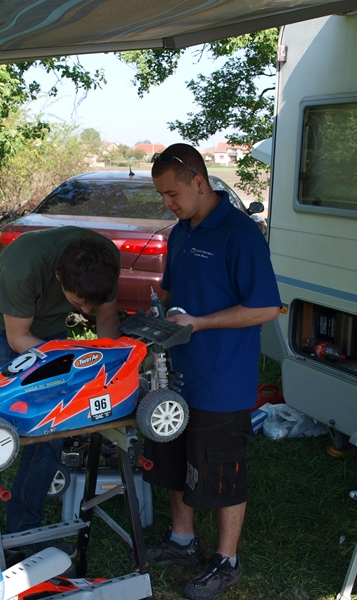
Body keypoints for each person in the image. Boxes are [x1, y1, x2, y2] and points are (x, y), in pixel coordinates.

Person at [144, 144, 281, 600]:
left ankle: (227, 560)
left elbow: (266, 308)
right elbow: (170, 291)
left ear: (199, 182)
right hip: (175, 373)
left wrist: (199, 323)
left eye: (172, 193)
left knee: (222, 469)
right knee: (173, 459)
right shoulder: (180, 232)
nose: (167, 203)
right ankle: (182, 540)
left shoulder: (240, 234)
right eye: (162, 195)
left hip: (222, 377)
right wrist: (155, 316)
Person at [0, 226, 121, 546]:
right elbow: (18, 338)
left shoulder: (106, 261)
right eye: (80, 302)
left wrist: (107, 368)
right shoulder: (22, 268)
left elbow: (106, 319)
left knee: (53, 424)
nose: (86, 312)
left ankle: (24, 529)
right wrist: (72, 363)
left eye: (91, 304)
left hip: (49, 326)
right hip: (1, 323)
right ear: (59, 277)